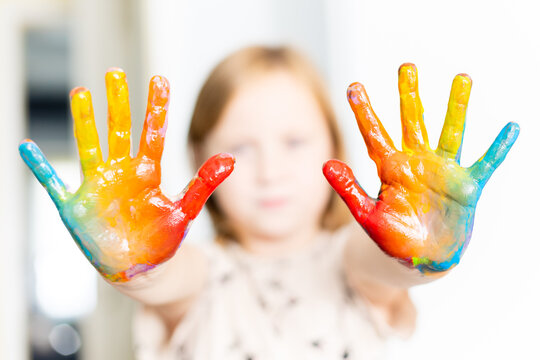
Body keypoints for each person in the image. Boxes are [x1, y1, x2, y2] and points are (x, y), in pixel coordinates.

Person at [19, 45, 519, 360]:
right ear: (199, 157)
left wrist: (421, 252)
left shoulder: (349, 260)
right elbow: (167, 280)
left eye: (295, 142)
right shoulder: (201, 272)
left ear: (336, 150)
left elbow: (384, 267)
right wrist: (141, 266)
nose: (271, 170)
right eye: (239, 147)